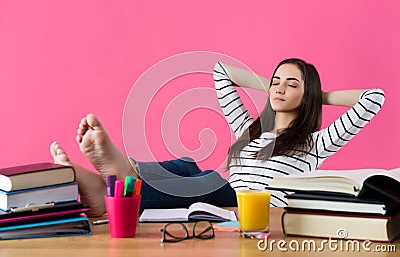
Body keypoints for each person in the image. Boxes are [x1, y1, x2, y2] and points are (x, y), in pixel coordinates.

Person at [50, 58, 385, 217]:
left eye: (291, 84)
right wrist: (274, 83)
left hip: (253, 207)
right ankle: (120, 175)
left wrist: (317, 93)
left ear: (307, 94)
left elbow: (374, 98)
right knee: (188, 166)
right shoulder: (249, 130)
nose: (280, 87)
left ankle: (115, 180)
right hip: (224, 194)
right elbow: (221, 72)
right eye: (276, 80)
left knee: (206, 182)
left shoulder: (315, 143)